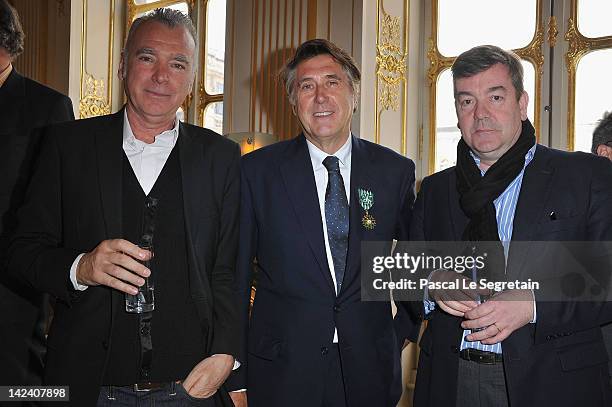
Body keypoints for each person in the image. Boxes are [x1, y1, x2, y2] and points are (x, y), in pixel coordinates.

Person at [8, 8, 239, 407]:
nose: (161, 76)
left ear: (191, 79)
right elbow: (20, 252)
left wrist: (227, 354)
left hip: (189, 389)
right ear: (122, 66)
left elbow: (230, 267)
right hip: (86, 386)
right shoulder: (67, 146)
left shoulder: (221, 157)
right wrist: (81, 266)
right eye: (147, 58)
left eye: (178, 63)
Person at [410, 45, 612, 407]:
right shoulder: (435, 190)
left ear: (522, 103)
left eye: (496, 96)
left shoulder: (585, 176)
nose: (481, 114)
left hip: (552, 381)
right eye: (467, 101)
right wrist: (431, 282)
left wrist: (534, 303)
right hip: (450, 380)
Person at [228, 39, 417, 407]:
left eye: (332, 82)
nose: (320, 96)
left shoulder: (394, 171)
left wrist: (399, 334)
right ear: (293, 102)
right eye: (306, 86)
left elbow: (412, 261)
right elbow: (234, 277)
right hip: (282, 373)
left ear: (354, 94)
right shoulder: (256, 172)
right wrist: (237, 372)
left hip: (369, 372)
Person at [0, 0, 74, 388]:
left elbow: (62, 205)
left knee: (17, 391)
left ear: (5, 43)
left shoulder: (48, 107)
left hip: (15, 287)